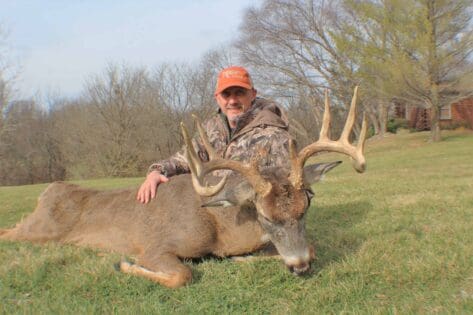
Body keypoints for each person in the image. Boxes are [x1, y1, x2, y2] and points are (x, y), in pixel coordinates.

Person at [136, 66, 291, 204]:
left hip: (252, 218)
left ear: (253, 94)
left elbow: (289, 191)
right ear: (217, 98)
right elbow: (185, 159)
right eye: (226, 94)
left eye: (239, 93)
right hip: (216, 212)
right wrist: (156, 171)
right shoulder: (211, 129)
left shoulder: (274, 134)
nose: (232, 100)